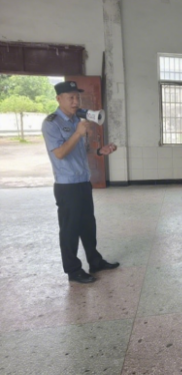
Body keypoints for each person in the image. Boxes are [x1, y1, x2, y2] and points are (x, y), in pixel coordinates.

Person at [42, 81, 119, 284]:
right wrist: (77, 133)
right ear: (59, 99)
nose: (76, 102)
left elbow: (81, 151)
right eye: (71, 97)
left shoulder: (78, 119)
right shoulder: (51, 123)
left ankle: (95, 261)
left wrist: (100, 151)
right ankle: (73, 270)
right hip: (67, 186)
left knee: (88, 226)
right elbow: (60, 153)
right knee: (70, 229)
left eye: (77, 97)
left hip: (83, 182)